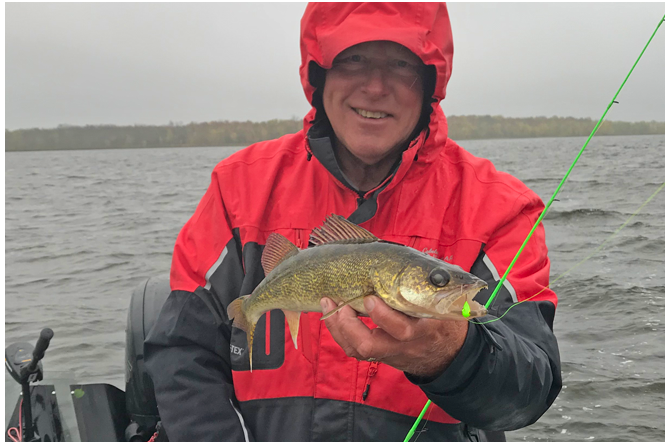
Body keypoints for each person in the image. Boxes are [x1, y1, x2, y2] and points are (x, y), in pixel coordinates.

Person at [145, 2, 562, 441]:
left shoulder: (502, 209)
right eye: (353, 59)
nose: (375, 87)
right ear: (319, 74)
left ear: (429, 83)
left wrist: (454, 355)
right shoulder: (237, 188)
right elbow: (181, 353)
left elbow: (528, 395)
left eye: (401, 64)